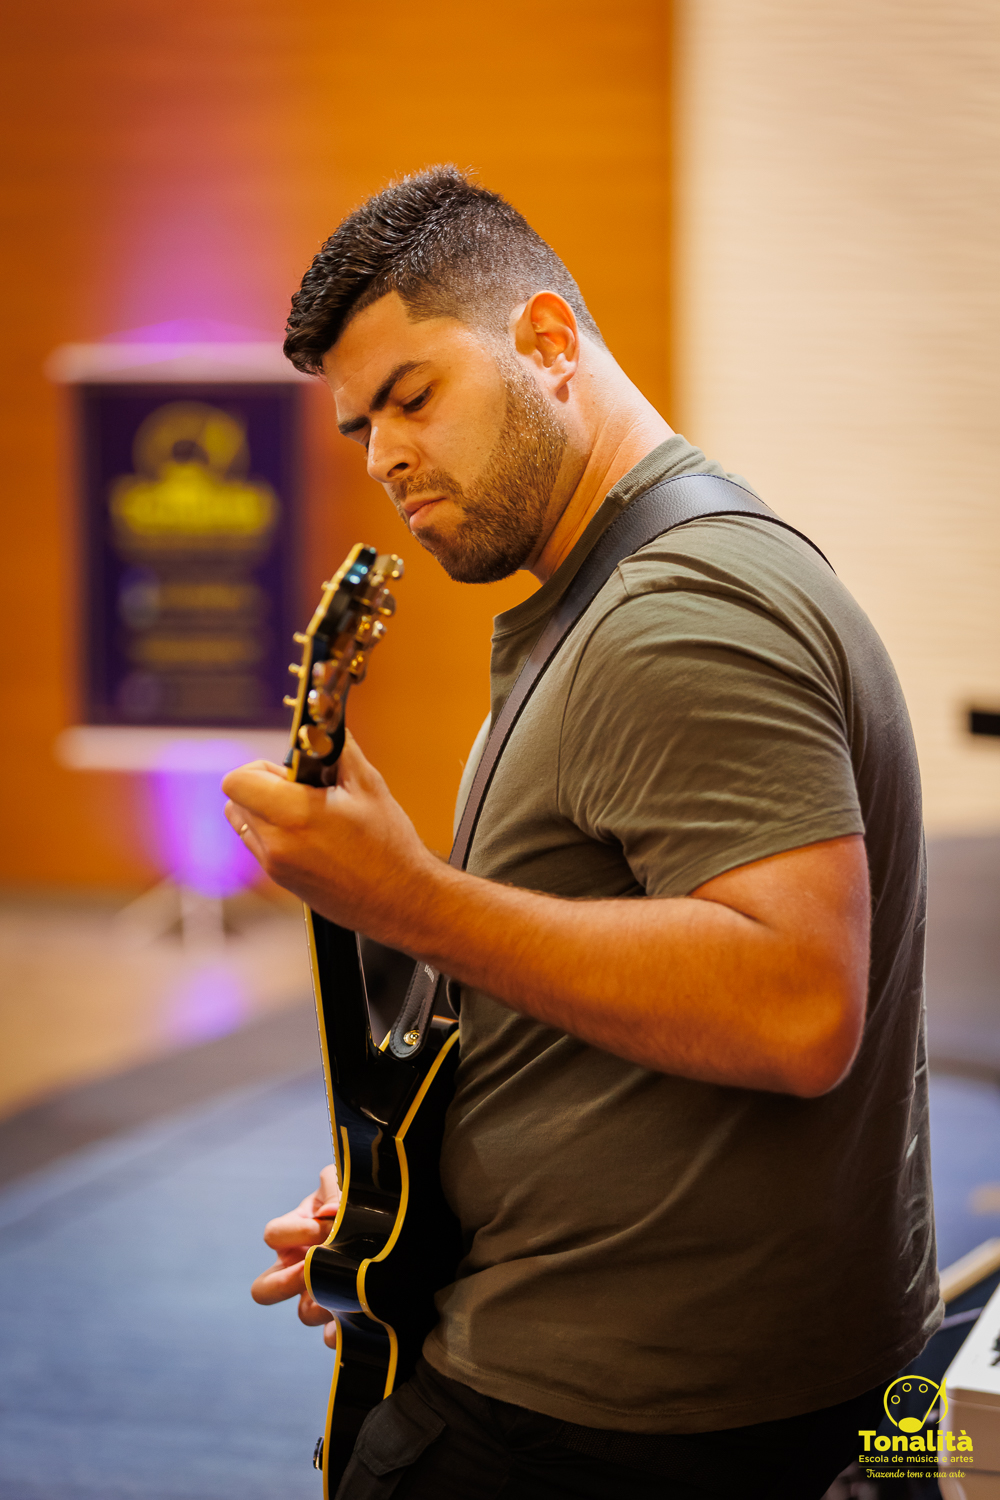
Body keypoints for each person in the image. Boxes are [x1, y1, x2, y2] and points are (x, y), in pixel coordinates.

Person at [222, 166, 939, 1499]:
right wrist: (405, 1193)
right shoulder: (632, 584)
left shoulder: (679, 611)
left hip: (615, 1423)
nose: (383, 456)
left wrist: (407, 901)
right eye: (362, 425)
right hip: (619, 1374)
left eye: (414, 395)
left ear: (549, 341)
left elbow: (796, 1006)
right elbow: (595, 990)